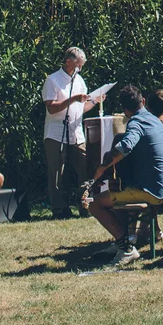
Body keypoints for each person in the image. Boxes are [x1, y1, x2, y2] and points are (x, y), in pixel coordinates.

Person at [85, 85, 163, 266]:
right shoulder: (154, 119)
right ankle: (121, 241)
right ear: (142, 101)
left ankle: (126, 248)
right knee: (116, 191)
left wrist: (102, 168)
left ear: (125, 110)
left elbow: (125, 146)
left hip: (151, 190)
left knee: (95, 204)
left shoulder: (136, 123)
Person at [41, 46, 98, 220]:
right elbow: (51, 108)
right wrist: (73, 99)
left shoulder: (79, 80)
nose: (79, 69)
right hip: (56, 133)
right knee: (57, 172)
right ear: (68, 62)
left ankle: (86, 206)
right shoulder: (53, 80)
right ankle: (59, 209)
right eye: (77, 65)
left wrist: (95, 101)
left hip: (76, 131)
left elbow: (81, 107)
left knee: (84, 167)